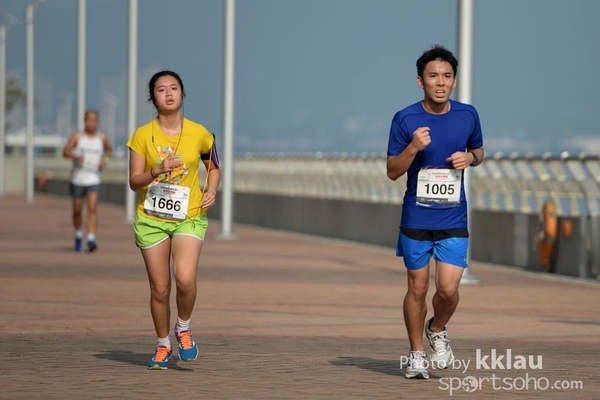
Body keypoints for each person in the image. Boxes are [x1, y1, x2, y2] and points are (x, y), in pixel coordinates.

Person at [386, 45, 484, 379]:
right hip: (416, 216)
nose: (440, 82)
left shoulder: (467, 115)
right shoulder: (405, 119)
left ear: (454, 80)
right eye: (433, 76)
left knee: (448, 289)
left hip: (453, 216)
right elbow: (392, 171)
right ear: (420, 81)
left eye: (446, 76)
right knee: (417, 288)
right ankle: (416, 354)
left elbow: (479, 150)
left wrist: (471, 158)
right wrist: (413, 147)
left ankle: (437, 328)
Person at [126, 70, 221, 370]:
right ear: (152, 98)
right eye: (161, 89)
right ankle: (163, 345)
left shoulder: (199, 133)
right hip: (151, 218)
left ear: (182, 93)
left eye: (174, 88)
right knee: (160, 288)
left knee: (185, 277)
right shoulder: (142, 135)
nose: (168, 93)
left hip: (188, 216)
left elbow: (213, 166)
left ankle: (184, 327)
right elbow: (134, 181)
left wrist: (212, 190)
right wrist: (157, 170)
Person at [63, 109, 112, 253]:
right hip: (77, 178)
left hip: (94, 178)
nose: (92, 122)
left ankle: (91, 239)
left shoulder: (102, 138)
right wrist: (76, 157)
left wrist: (105, 161)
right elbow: (65, 151)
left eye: (94, 120)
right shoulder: (78, 137)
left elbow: (108, 151)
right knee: (77, 211)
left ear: (97, 121)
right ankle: (78, 235)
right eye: (89, 119)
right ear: (84, 121)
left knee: (92, 208)